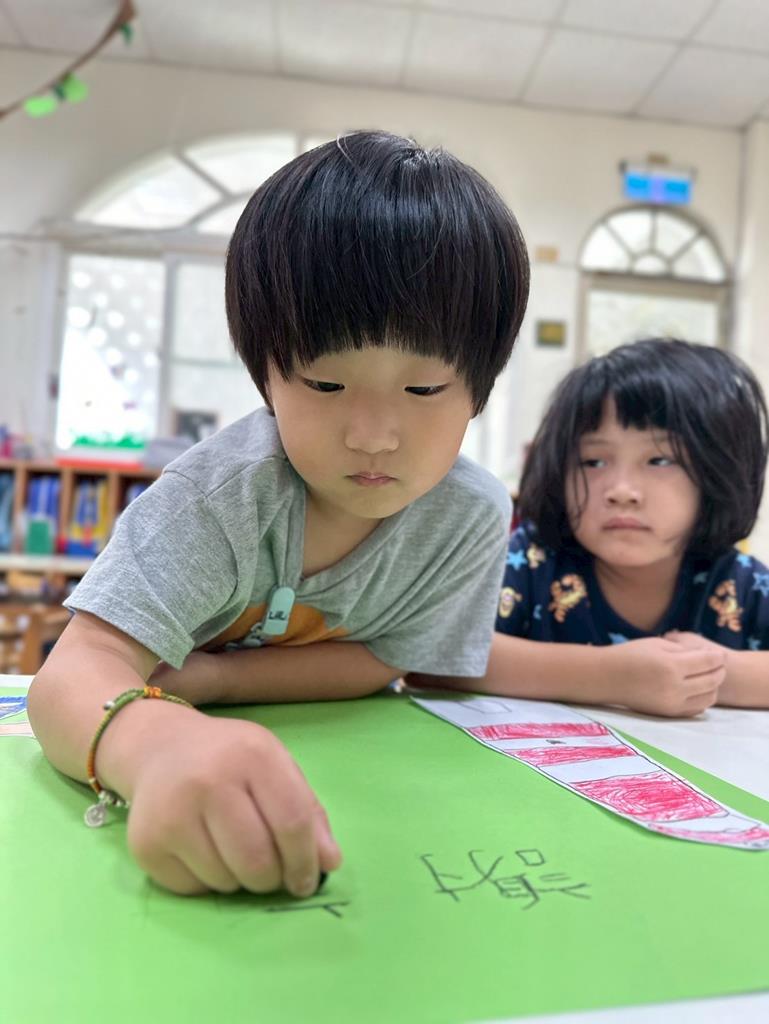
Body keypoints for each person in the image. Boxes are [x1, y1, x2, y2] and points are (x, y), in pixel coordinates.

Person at [27, 131, 530, 898]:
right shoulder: (223, 496)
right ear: (267, 377)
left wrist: (215, 680)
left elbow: (382, 659)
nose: (372, 435)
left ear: (478, 389)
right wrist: (154, 744)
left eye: (423, 390)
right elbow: (70, 674)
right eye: (325, 385)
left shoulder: (467, 517)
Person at [481, 338, 769, 717]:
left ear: (718, 471)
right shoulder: (531, 563)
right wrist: (613, 677)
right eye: (593, 461)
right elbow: (437, 658)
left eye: (659, 460)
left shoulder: (740, 583)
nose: (621, 491)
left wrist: (714, 675)